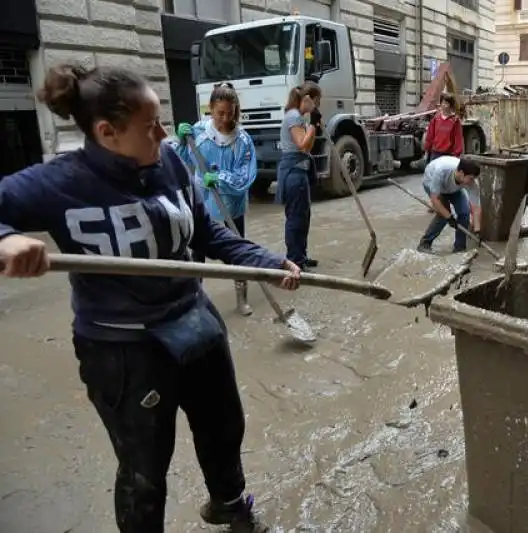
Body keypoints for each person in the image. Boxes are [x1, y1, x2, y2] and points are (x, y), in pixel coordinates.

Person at [0, 64, 302, 532]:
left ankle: (229, 504)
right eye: (150, 126)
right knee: (145, 467)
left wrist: (265, 259)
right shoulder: (60, 182)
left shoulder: (169, 161)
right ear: (107, 132)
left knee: (224, 428)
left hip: (193, 321)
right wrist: (7, 239)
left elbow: (206, 233)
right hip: (124, 347)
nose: (163, 133)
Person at [174, 83, 258, 316]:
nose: (225, 118)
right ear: (210, 108)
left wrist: (220, 178)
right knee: (198, 251)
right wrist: (180, 142)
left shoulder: (242, 140)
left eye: (230, 113)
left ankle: (242, 298)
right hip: (203, 202)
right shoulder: (199, 132)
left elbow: (245, 175)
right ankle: (195, 299)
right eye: (220, 113)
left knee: (237, 249)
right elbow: (181, 163)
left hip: (232, 205)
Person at [275, 82, 322, 272]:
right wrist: (312, 123)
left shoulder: (298, 117)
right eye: (317, 101)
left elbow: (308, 146)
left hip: (299, 171)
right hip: (293, 173)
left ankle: (300, 256)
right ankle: (294, 260)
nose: (318, 106)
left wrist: (314, 124)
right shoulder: (293, 117)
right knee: (296, 218)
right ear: (308, 99)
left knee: (303, 217)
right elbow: (303, 144)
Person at [416, 156, 482, 254]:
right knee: (443, 215)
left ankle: (459, 248)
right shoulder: (441, 171)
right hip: (432, 183)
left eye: (474, 179)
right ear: (462, 173)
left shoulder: (471, 182)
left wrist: (477, 231)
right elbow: (435, 200)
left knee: (464, 212)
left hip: (454, 188)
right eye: (471, 179)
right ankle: (425, 243)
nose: (472, 182)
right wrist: (449, 217)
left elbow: (476, 208)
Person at [424, 93, 464, 162]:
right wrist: (427, 150)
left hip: (449, 154)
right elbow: (430, 136)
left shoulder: (455, 121)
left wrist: (457, 154)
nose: (444, 105)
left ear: (451, 106)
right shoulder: (435, 119)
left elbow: (458, 138)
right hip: (435, 153)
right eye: (443, 103)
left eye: (447, 103)